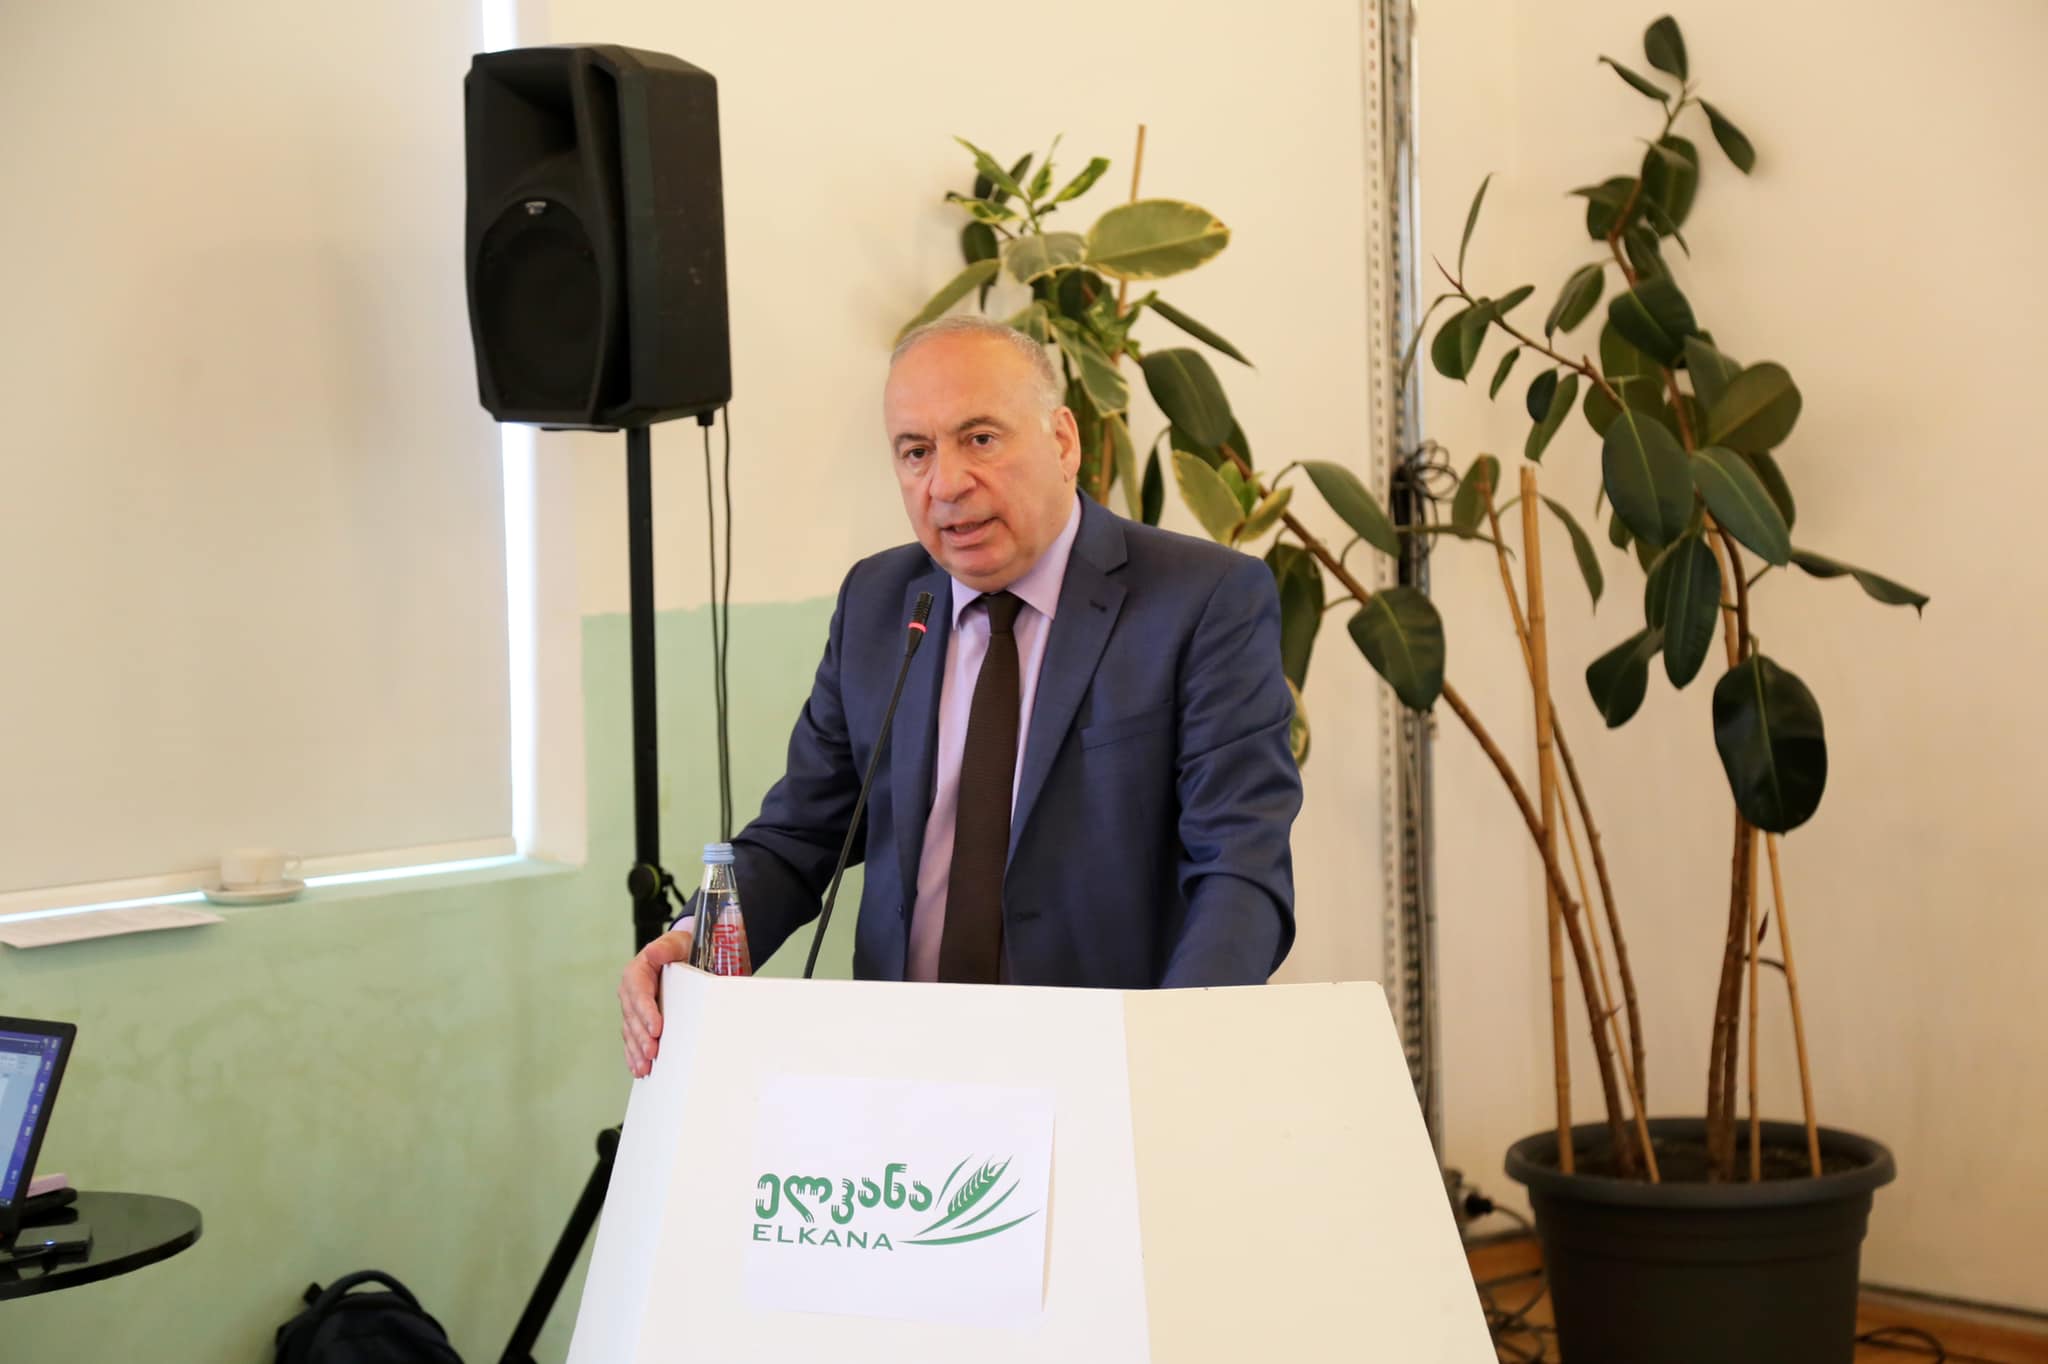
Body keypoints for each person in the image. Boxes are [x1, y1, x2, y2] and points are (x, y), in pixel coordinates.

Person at [619, 316, 1302, 1076]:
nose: (945, 484)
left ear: (1063, 441)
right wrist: (691, 941)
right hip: (903, 1070)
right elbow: (799, 837)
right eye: (916, 452)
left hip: (1109, 1069)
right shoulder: (879, 602)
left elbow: (1239, 865)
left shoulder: (1203, 600)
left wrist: (1177, 1050)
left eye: (980, 439)